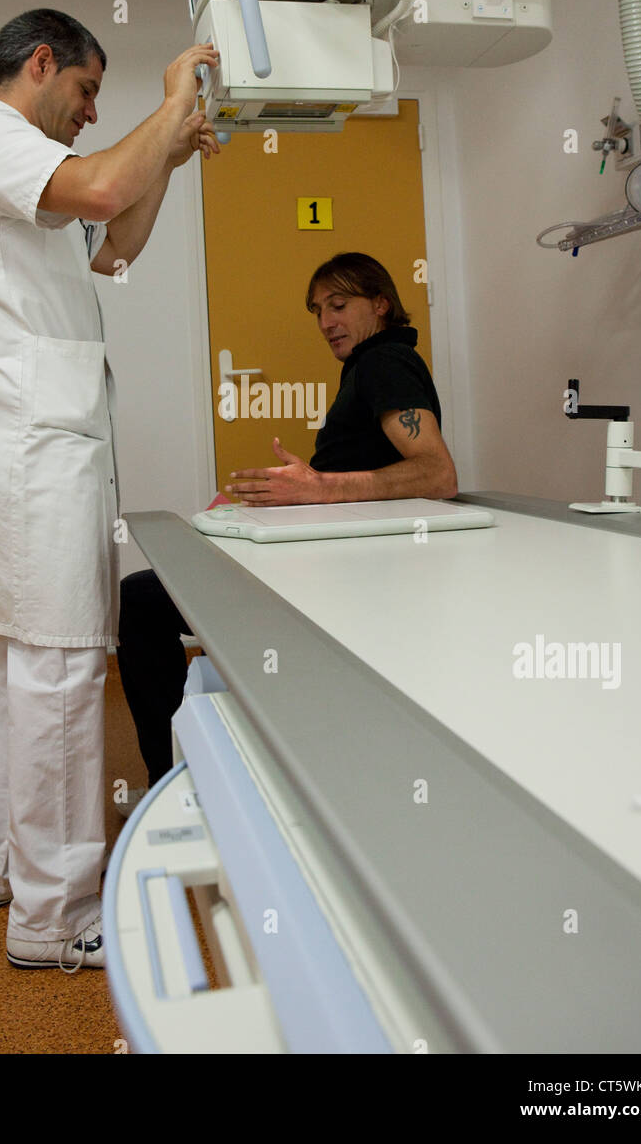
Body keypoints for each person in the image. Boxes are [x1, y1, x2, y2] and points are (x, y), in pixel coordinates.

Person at [0, 7, 219, 971]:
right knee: (58, 670)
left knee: (28, 665)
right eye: (88, 90)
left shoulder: (30, 179)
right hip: (27, 442)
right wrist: (171, 102)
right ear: (40, 62)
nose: (92, 112)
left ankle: (7, 869)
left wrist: (169, 151)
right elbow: (100, 189)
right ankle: (56, 921)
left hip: (40, 437)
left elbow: (115, 246)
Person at [117, 252, 457, 797]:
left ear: (381, 304)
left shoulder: (385, 363)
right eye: (318, 310)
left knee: (141, 600)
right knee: (159, 588)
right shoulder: (369, 366)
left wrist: (317, 488)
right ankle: (193, 766)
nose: (326, 322)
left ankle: (169, 785)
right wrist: (291, 492)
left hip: (340, 576)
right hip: (328, 557)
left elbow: (437, 474)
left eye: (339, 305)